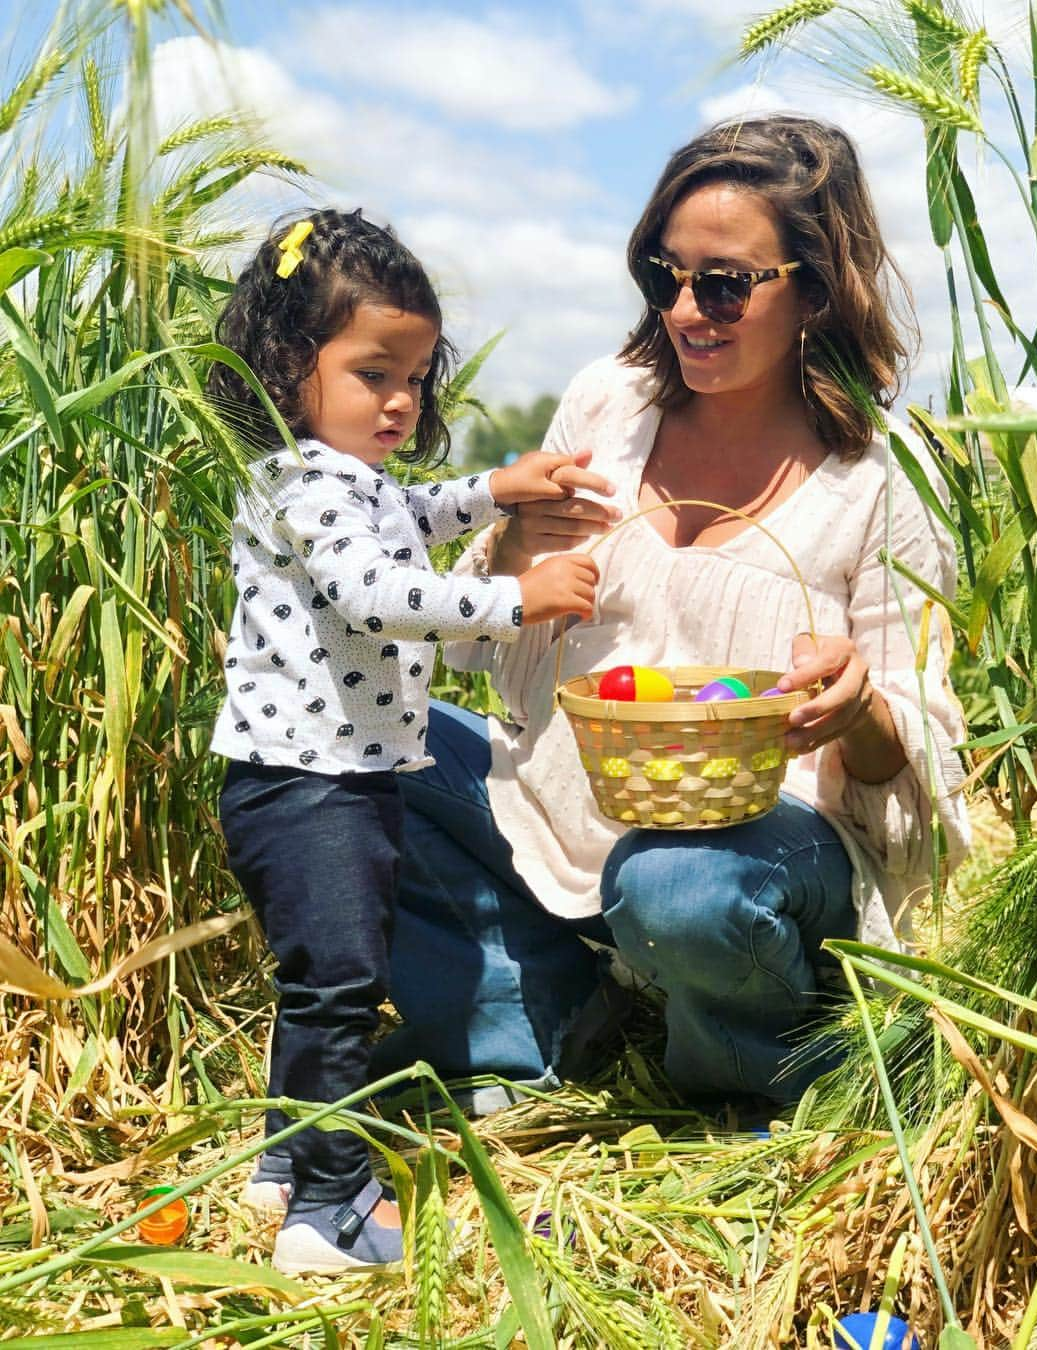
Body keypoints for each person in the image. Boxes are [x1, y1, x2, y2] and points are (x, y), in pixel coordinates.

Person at [366, 114, 970, 1113]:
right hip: (562, 810)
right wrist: (520, 542)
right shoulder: (608, 404)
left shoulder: (880, 485)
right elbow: (480, 645)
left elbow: (916, 776)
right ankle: (538, 1025)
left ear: (812, 288)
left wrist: (860, 709)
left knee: (676, 886)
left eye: (726, 284)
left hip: (759, 848)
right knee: (343, 741)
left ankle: (752, 1077)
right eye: (666, 275)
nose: (689, 310)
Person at [207, 208, 606, 1275]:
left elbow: (410, 514)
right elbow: (379, 591)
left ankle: (287, 1162)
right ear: (289, 366)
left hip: (330, 777)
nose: (402, 400)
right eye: (373, 372)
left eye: (419, 377)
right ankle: (332, 1213)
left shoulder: (343, 480)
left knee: (321, 983)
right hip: (309, 788)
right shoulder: (304, 485)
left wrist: (496, 490)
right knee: (342, 987)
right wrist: (514, 597)